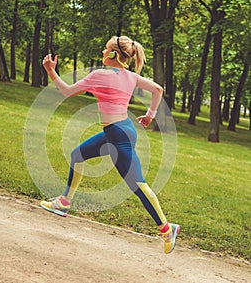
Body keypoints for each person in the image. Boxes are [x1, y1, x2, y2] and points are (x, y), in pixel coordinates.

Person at [41, 35, 180, 254]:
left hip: (118, 136)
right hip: (119, 130)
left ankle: (167, 228)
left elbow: (66, 91)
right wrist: (149, 116)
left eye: (106, 50)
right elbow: (158, 90)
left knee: (138, 185)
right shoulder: (131, 77)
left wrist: (50, 70)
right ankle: (64, 203)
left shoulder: (100, 75)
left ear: (115, 54)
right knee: (78, 155)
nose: (103, 53)